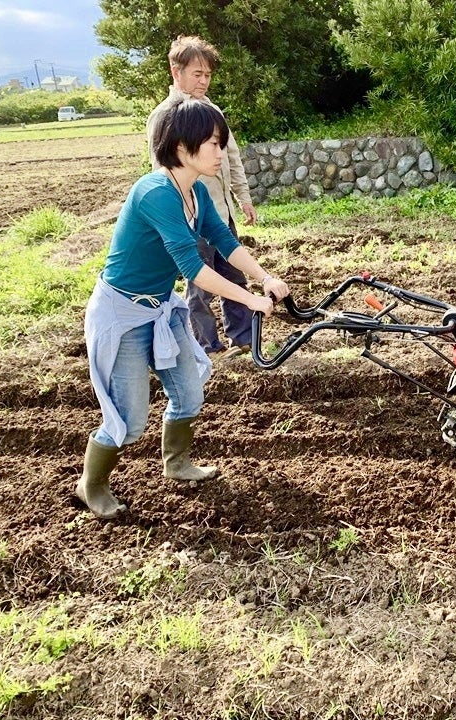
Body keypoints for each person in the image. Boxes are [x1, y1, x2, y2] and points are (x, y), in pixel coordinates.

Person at [77, 99, 290, 519]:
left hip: (159, 307)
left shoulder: (196, 192)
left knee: (189, 393)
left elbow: (225, 242)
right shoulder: (155, 193)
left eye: (220, 142)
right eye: (212, 142)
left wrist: (264, 277)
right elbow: (192, 267)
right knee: (129, 419)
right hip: (122, 314)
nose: (219, 151)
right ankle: (91, 485)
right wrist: (248, 298)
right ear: (180, 146)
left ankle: (176, 463)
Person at [147, 35, 257, 362]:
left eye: (208, 75)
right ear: (176, 72)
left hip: (221, 212)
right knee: (200, 285)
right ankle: (206, 345)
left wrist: (243, 196)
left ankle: (243, 339)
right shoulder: (165, 115)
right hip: (190, 218)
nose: (204, 81)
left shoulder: (212, 110)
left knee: (234, 275)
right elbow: (160, 171)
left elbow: (231, 156)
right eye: (197, 74)